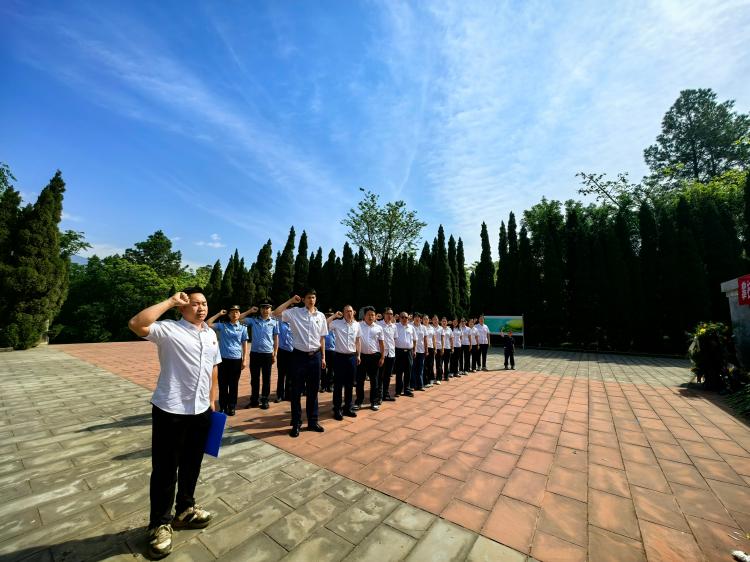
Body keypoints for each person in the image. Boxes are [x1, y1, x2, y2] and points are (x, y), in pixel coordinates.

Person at [128, 288, 218, 560]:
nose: (201, 308)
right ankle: (159, 524)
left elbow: (214, 367)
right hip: (171, 410)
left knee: (192, 464)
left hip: (201, 410)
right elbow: (136, 324)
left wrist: (212, 400)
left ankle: (185, 510)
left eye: (204, 303)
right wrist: (169, 301)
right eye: (195, 304)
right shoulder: (169, 330)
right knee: (166, 470)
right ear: (182, 308)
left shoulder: (210, 334)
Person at [274, 290, 328, 437]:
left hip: (315, 356)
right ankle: (296, 423)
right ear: (303, 299)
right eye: (308, 297)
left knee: (313, 391)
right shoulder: (295, 312)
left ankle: (312, 422)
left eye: (313, 297)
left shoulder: (321, 316)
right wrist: (291, 301)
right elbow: (276, 313)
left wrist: (323, 357)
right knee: (296, 391)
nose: (311, 300)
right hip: (299, 356)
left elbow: (322, 338)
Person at [207, 305, 248, 416]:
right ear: (229, 314)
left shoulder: (243, 328)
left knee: (233, 384)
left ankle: (232, 406)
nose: (235, 314)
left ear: (239, 314)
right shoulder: (223, 326)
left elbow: (244, 344)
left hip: (236, 359)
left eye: (237, 312)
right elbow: (208, 324)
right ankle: (223, 406)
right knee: (223, 384)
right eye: (232, 312)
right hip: (223, 360)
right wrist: (219, 314)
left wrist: (244, 359)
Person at [240, 303, 279, 410]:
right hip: (255, 354)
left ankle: (265, 400)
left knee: (266, 378)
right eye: (263, 308)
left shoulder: (274, 322)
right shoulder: (253, 320)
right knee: (254, 379)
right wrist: (249, 311)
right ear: (260, 310)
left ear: (271, 309)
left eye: (267, 308)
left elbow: (276, 338)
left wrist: (275, 353)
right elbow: (238, 319)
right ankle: (254, 400)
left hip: (267, 354)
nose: (265, 310)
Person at [327, 306, 360, 420]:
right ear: (343, 313)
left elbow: (358, 340)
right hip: (339, 357)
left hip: (352, 357)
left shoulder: (357, 325)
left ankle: (348, 407)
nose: (349, 313)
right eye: (347, 311)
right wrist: (334, 316)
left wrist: (358, 355)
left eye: (350, 311)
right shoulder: (337, 323)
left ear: (353, 312)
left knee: (350, 384)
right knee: (338, 385)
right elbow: (324, 324)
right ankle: (337, 409)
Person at [356, 306, 385, 410]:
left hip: (374, 357)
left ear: (375, 316)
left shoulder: (379, 328)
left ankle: (374, 402)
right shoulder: (358, 326)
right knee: (360, 381)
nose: (370, 317)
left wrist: (382, 357)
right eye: (368, 315)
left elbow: (381, 343)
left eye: (372, 315)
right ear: (364, 316)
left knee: (374, 380)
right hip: (361, 357)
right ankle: (359, 401)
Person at [394, 311, 416, 397]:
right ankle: (398, 391)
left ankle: (407, 389)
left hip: (409, 352)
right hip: (399, 351)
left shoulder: (411, 327)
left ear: (408, 318)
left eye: (406, 317)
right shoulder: (395, 326)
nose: (404, 319)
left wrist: (414, 350)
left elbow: (414, 340)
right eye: (402, 317)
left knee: (408, 371)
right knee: (399, 372)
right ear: (399, 318)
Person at [378, 308, 397, 400]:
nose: (389, 316)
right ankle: (379, 396)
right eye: (388, 313)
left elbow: (394, 339)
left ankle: (385, 394)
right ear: (384, 314)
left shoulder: (394, 326)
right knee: (380, 376)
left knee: (388, 376)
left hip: (391, 353)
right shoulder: (378, 324)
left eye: (391, 314)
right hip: (382, 354)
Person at [275, 315, 294, 402]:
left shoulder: (295, 322)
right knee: (281, 374)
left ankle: (288, 394)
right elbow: (274, 313)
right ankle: (280, 395)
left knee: (290, 374)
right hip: (282, 350)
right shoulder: (280, 320)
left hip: (292, 351)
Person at [411, 314, 427, 391]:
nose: (417, 319)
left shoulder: (423, 327)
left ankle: (420, 385)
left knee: (420, 368)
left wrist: (426, 349)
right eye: (415, 317)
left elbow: (425, 339)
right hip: (412, 350)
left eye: (418, 318)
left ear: (420, 319)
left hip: (421, 350)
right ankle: (413, 385)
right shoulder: (410, 326)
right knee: (413, 368)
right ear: (413, 318)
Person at [322, 321, 336, 392]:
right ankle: (323, 386)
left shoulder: (335, 327)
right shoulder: (323, 327)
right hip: (324, 350)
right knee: (323, 369)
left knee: (331, 369)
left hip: (333, 351)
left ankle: (330, 385)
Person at [423, 314, 436, 388]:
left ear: (429, 320)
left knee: (430, 364)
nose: (425, 320)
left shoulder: (432, 328)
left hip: (431, 347)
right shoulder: (421, 327)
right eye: (424, 319)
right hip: (423, 348)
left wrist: (435, 348)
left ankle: (431, 379)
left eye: (427, 319)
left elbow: (434, 338)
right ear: (422, 320)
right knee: (424, 365)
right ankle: (425, 381)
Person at [431, 315, 443, 385]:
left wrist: (442, 348)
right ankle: (432, 378)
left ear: (438, 320)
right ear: (432, 320)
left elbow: (442, 339)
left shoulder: (441, 328)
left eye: (436, 319)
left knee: (439, 364)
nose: (435, 321)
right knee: (431, 364)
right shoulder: (430, 328)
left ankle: (438, 378)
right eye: (434, 319)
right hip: (431, 347)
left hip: (439, 347)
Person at [440, 317, 452, 381]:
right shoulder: (439, 329)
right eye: (443, 321)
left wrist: (452, 347)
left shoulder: (449, 329)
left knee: (446, 362)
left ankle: (446, 376)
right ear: (441, 322)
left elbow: (451, 338)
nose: (444, 322)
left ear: (447, 322)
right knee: (440, 363)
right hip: (440, 348)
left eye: (445, 321)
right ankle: (440, 375)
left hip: (447, 347)